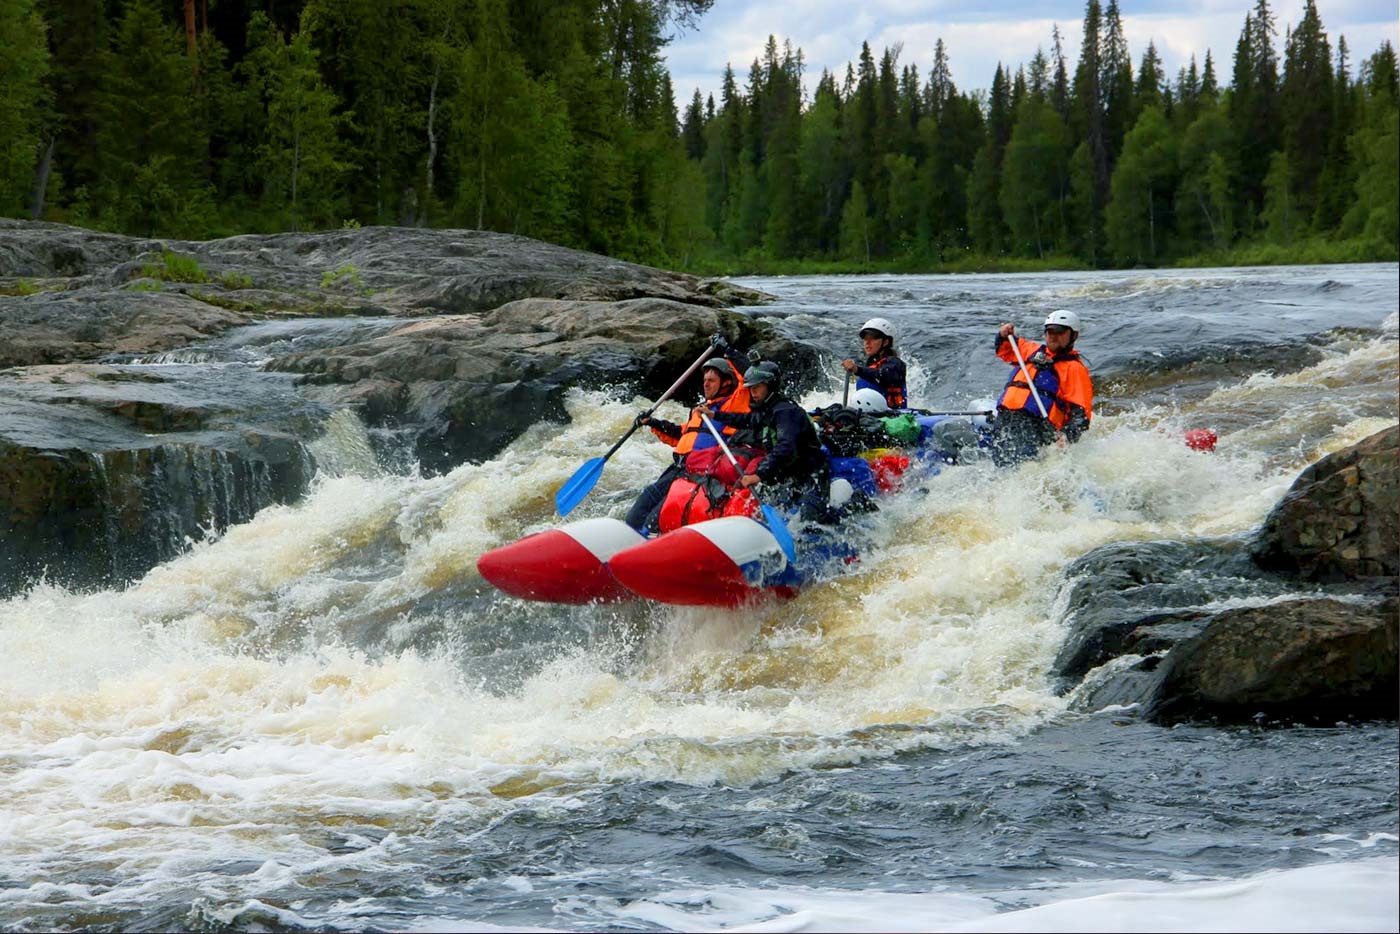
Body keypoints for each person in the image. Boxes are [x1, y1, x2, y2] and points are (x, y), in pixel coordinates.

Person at [624, 341, 753, 532]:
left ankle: (647, 545)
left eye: (712, 380)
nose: (705, 384)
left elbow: (747, 374)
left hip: (698, 472)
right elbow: (682, 435)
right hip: (676, 468)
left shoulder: (734, 405)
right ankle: (625, 538)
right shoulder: (700, 410)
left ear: (727, 382)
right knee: (642, 505)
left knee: (654, 520)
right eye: (705, 380)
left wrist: (728, 350)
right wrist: (652, 422)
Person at [702, 361, 833, 522]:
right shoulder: (767, 410)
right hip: (788, 474)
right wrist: (715, 415)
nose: (753, 391)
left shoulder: (786, 412)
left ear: (770, 386)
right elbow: (746, 420)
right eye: (751, 388)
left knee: (809, 521)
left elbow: (785, 446)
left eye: (757, 387)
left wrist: (759, 474)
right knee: (767, 505)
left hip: (811, 474)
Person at [989, 309, 1093, 466]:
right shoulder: (1032, 351)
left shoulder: (1074, 369)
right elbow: (1005, 348)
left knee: (1017, 468)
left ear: (1074, 336)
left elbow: (1080, 413)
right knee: (1000, 464)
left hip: (1037, 426)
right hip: (1006, 418)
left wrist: (1068, 436)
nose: (1053, 336)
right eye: (1049, 331)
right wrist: (1003, 334)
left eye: (1059, 332)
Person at [842, 317, 907, 410]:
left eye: (872, 338)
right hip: (869, 417)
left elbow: (884, 375)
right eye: (865, 339)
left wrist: (857, 370)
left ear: (885, 342)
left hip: (893, 418)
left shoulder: (896, 364)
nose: (867, 342)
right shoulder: (869, 366)